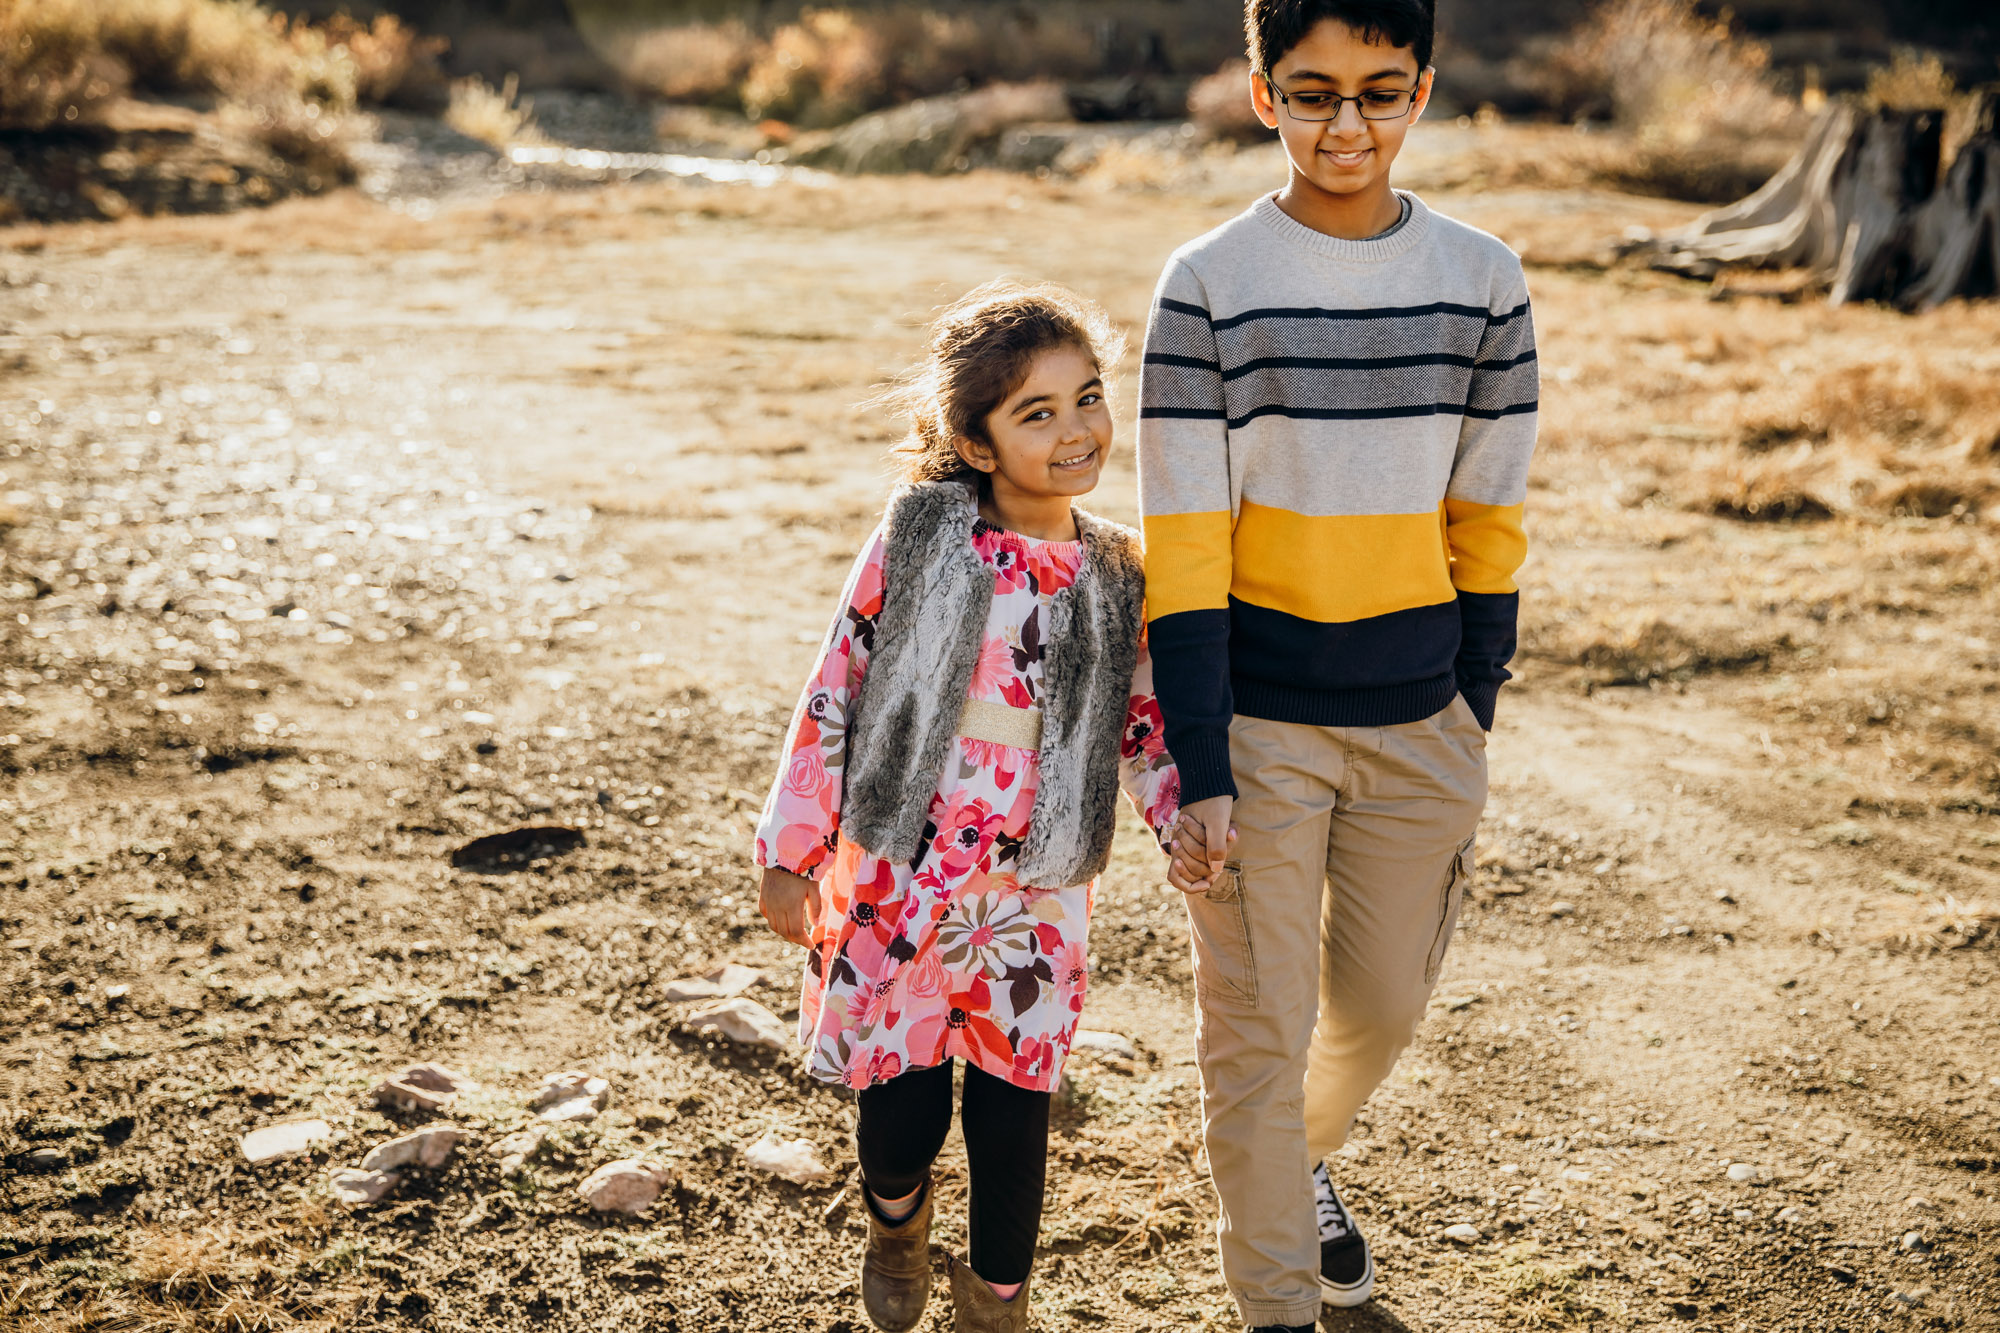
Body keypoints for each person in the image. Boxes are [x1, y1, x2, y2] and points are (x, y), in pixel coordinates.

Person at [1137, 0, 1539, 1327]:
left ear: (1422, 91)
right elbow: (1186, 549)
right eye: (1312, 93)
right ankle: (1277, 1299)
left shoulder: (1486, 279)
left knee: (1375, 1007)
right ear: (1263, 94)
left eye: (1378, 91)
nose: (1346, 125)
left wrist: (1473, 704)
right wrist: (1200, 765)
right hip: (1258, 725)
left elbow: (1489, 514)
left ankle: (1292, 1163)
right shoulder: (1207, 283)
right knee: (1258, 1042)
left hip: (1423, 721)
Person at [754, 282, 1180, 1333]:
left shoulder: (1122, 569)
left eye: (1086, 397)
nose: (1077, 430)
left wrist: (1185, 820)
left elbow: (1145, 723)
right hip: (897, 869)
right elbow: (835, 685)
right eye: (1036, 413)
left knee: (1013, 1099)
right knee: (897, 1108)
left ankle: (998, 1302)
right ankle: (895, 1221)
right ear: (974, 442)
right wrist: (791, 847)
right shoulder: (919, 536)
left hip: (1034, 886)